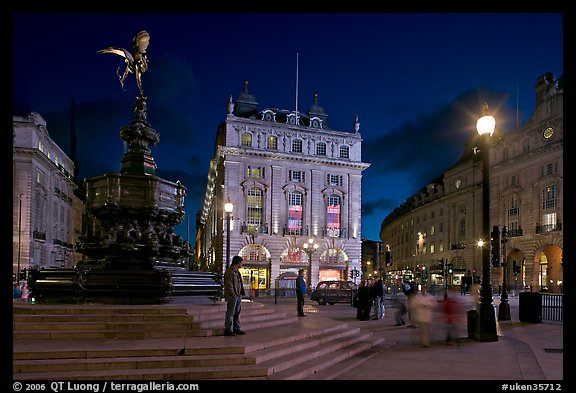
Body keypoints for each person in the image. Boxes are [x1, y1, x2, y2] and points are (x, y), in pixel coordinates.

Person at [223, 255, 246, 336]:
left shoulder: (236, 271)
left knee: (237, 313)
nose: (242, 264)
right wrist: (233, 294)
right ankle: (228, 329)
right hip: (233, 295)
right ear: (237, 262)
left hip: (238, 295)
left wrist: (239, 294)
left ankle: (236, 328)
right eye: (241, 262)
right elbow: (228, 284)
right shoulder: (230, 271)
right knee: (231, 313)